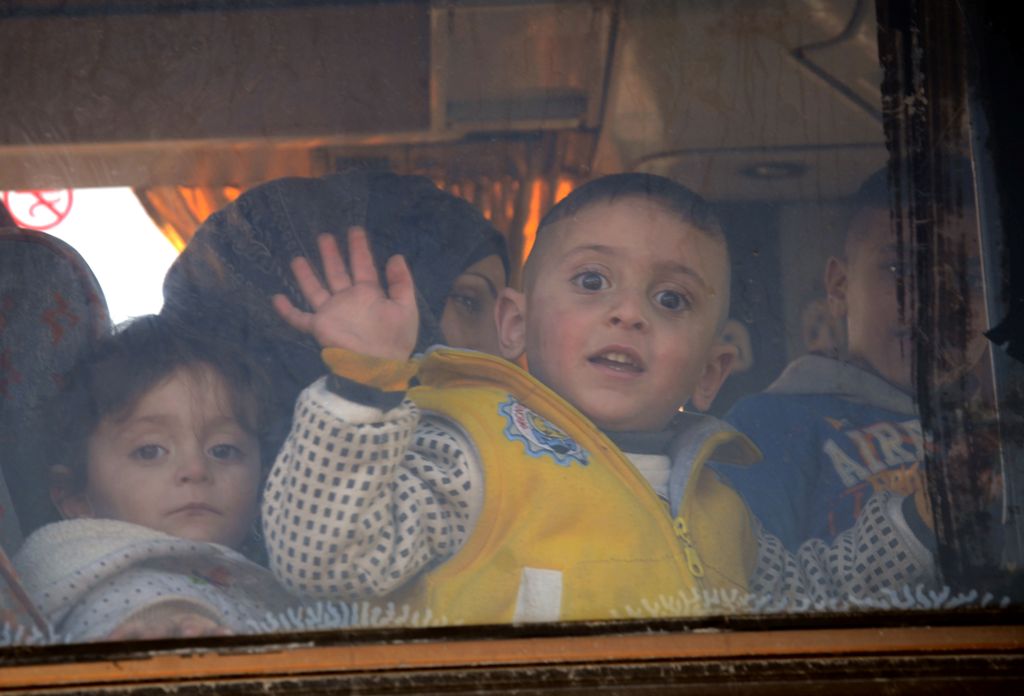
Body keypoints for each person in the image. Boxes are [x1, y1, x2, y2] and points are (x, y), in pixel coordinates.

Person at [262, 173, 937, 624]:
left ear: (711, 371)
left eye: (670, 299)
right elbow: (323, 561)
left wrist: (920, 521)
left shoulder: (719, 504)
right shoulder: (469, 455)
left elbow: (809, 605)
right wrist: (363, 386)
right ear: (516, 325)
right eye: (592, 281)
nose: (628, 313)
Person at [717, 166, 989, 551]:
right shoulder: (767, 427)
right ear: (840, 286)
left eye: (973, 280)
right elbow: (755, 589)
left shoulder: (1002, 431)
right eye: (902, 269)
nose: (938, 305)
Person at [160, 170, 510, 443]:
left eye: (508, 318)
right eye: (468, 301)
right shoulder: (182, 504)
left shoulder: (496, 484)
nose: (500, 351)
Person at [13, 317, 294, 641]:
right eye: (149, 451)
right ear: (76, 499)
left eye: (224, 450)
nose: (196, 469)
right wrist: (163, 624)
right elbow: (118, 613)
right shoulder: (99, 580)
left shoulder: (281, 572)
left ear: (262, 483)